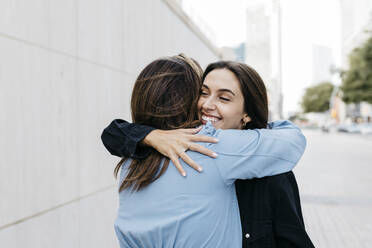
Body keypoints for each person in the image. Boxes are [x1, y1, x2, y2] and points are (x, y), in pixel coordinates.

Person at [103, 55, 314, 247]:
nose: (207, 104)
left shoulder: (269, 169)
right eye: (203, 93)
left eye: (224, 98)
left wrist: (147, 135)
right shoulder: (196, 147)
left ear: (246, 113)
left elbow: (293, 240)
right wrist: (151, 136)